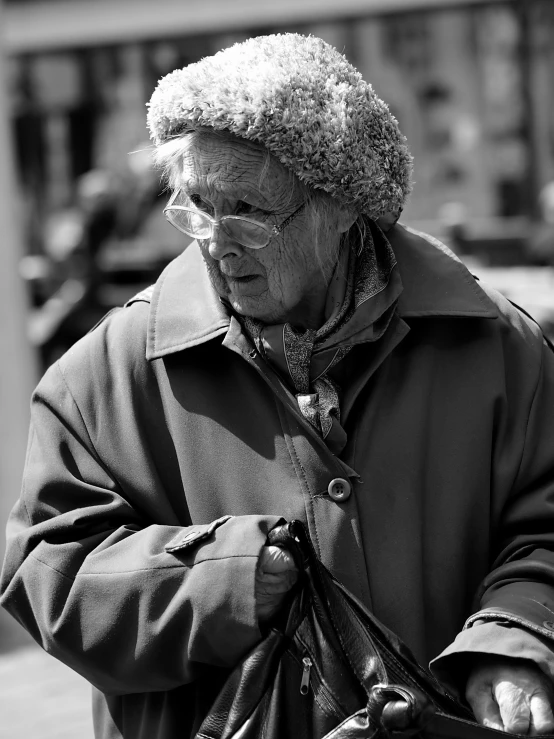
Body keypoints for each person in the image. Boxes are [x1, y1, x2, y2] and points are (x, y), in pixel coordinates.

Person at [2, 33, 554, 739]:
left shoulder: (499, 346)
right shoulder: (102, 377)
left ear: (345, 207)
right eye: (199, 204)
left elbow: (543, 525)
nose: (216, 240)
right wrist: (226, 578)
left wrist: (514, 642)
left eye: (251, 212)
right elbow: (49, 572)